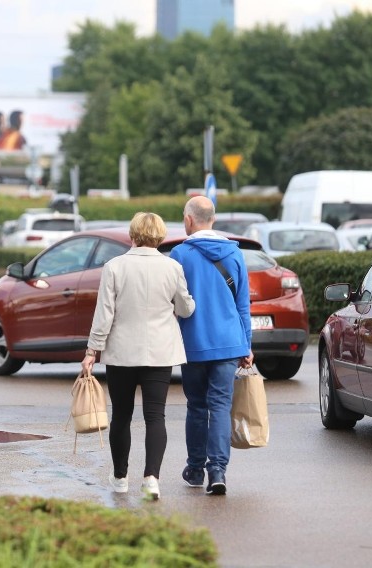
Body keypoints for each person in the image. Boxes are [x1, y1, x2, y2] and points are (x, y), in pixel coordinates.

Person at [81, 212, 195, 501]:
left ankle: (120, 477)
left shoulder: (114, 267)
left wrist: (92, 350)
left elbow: (104, 314)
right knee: (155, 416)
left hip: (121, 352)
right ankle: (152, 479)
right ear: (159, 237)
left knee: (121, 415)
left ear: (132, 234)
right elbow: (184, 309)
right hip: (159, 352)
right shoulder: (172, 267)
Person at [169, 196, 254, 496]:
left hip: (193, 343)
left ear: (190, 220)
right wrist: (247, 345)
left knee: (196, 405)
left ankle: (195, 468)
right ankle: (217, 471)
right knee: (220, 406)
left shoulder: (179, 255)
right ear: (213, 219)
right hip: (229, 344)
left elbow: (172, 303)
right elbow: (243, 305)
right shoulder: (234, 254)